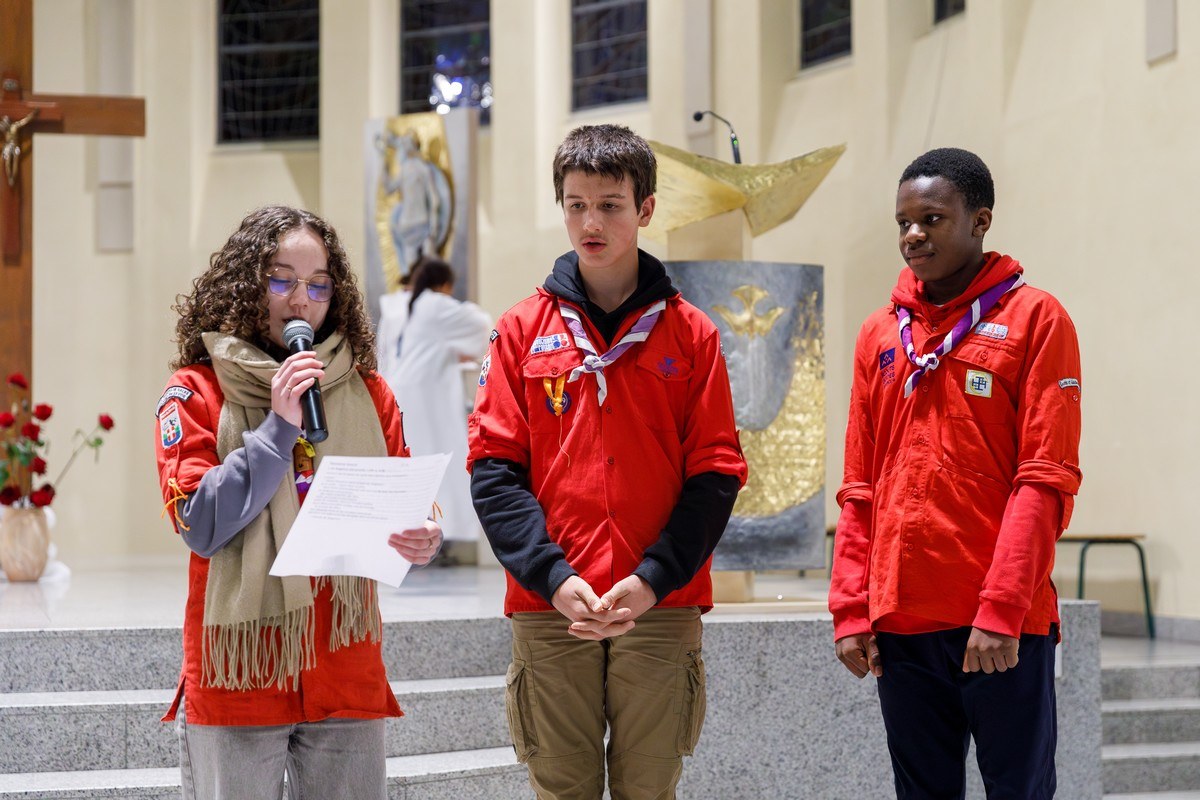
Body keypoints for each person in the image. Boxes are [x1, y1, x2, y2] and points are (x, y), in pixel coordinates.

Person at [468, 124, 748, 800]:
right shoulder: (520, 331)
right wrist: (552, 577)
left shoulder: (692, 334)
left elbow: (716, 473)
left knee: (648, 788)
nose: (590, 223)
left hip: (660, 602)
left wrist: (653, 579)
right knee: (561, 788)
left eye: (610, 205)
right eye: (576, 205)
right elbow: (494, 471)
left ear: (645, 209)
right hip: (552, 603)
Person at [154, 205, 443, 800]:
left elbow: (402, 504)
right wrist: (277, 430)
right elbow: (200, 524)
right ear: (246, 285)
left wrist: (422, 538)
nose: (300, 301)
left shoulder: (369, 393)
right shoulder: (197, 391)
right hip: (242, 673)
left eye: (318, 285)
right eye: (281, 280)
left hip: (343, 663)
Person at [828, 148, 1082, 799]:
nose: (913, 235)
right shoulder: (880, 334)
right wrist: (851, 608)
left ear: (980, 220)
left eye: (932, 219)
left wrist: (1002, 609)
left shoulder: (1036, 319)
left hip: (999, 624)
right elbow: (860, 485)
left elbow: (1044, 478)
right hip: (901, 623)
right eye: (903, 223)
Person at [388, 257, 491, 550]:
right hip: (426, 399)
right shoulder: (435, 304)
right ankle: (433, 533)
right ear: (444, 284)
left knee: (413, 466)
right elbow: (481, 325)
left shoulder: (404, 306)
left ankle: (416, 533)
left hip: (402, 394)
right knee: (438, 466)